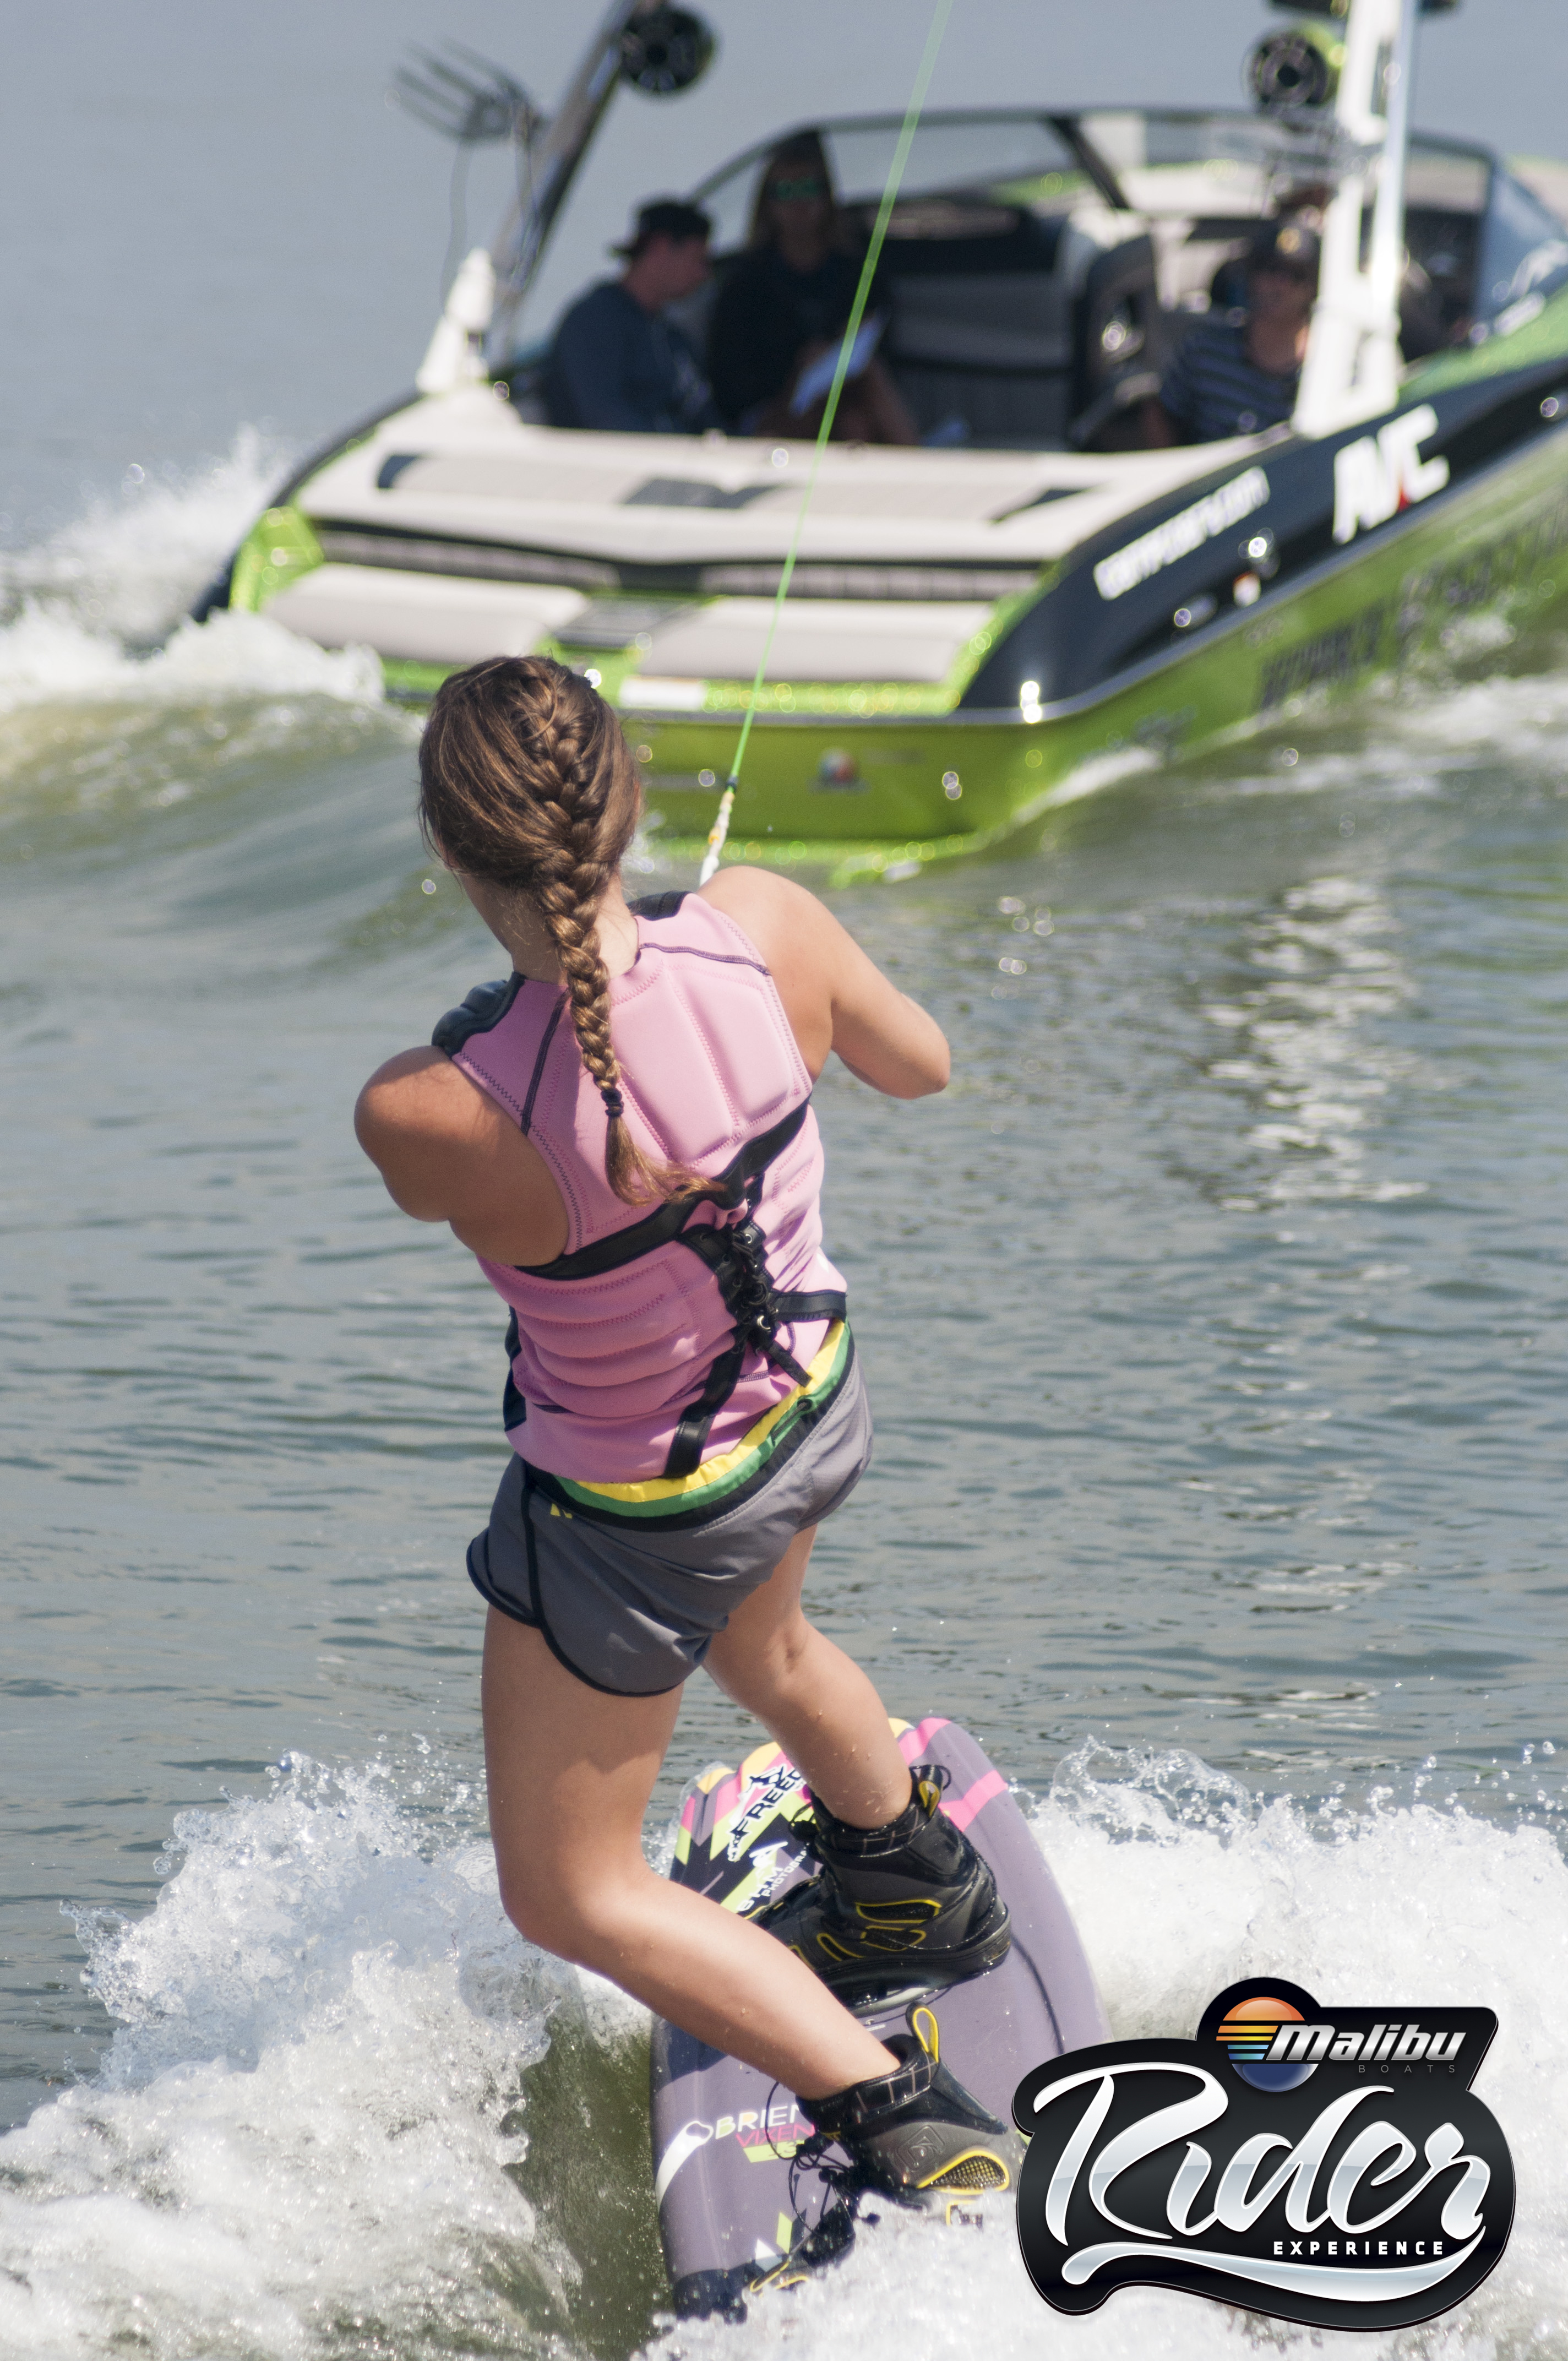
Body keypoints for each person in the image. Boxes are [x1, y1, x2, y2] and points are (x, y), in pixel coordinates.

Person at [353, 655, 1019, 2202]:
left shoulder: (429, 1106)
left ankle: (894, 2108)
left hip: (639, 1523)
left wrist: (546, 1009)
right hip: (811, 1414)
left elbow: (495, 1143)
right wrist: (718, 953)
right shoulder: (767, 925)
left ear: (448, 848)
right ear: (629, 794)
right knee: (764, 1642)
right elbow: (920, 1065)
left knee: (570, 1892)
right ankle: (908, 1874)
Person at [707, 133, 918, 444]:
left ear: (827, 197)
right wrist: (798, 372)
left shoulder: (857, 274)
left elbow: (883, 352)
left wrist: (836, 353)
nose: (799, 203)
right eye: (785, 191)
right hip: (773, 412)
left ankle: (915, 464)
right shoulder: (744, 284)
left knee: (855, 418)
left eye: (808, 188)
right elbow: (731, 383)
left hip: (849, 398)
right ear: (767, 203)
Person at [545, 199, 720, 434]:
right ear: (661, 248)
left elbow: (704, 416)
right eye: (698, 260)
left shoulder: (672, 338)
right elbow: (605, 418)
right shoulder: (594, 323)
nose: (703, 274)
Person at [1144, 217, 1321, 446]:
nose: (1280, 285)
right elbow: (1159, 413)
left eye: (1296, 275)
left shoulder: (1329, 367)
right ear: (1250, 275)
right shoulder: (1205, 349)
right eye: (1270, 269)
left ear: (1314, 288)